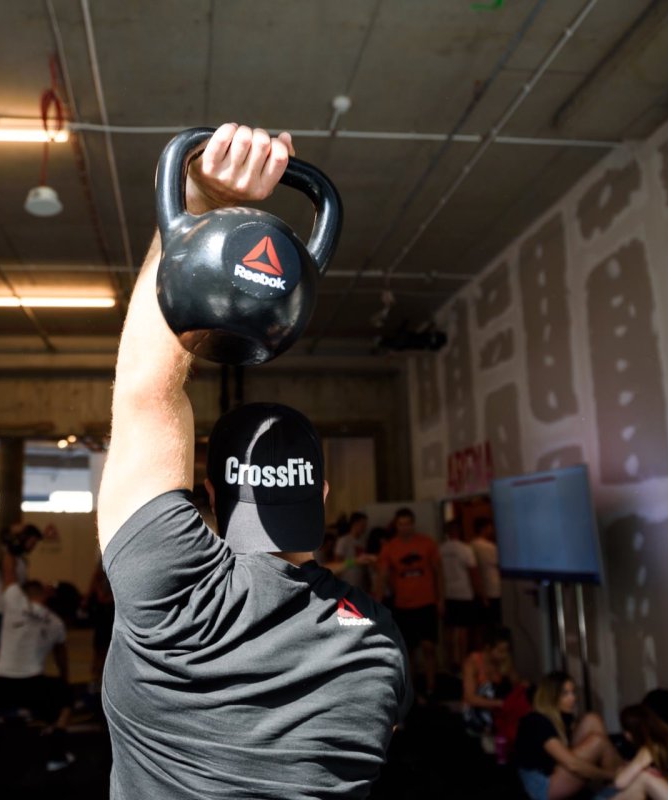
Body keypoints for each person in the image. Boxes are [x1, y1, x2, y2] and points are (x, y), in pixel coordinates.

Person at [96, 123, 410, 799]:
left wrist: (195, 209)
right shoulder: (378, 645)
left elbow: (148, 391)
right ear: (321, 493)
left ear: (207, 489)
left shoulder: (170, 595)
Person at [0, 547, 75, 775]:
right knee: (67, 698)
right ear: (43, 595)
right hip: (35, 688)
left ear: (23, 594)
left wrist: (10, 547)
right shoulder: (56, 622)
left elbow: (8, 574)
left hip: (0, 687)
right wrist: (64, 683)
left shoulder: (14, 602)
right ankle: (56, 754)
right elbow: (62, 658)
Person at [514, 671, 623, 800]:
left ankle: (620, 778)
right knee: (597, 742)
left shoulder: (561, 716)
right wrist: (609, 775)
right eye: (565, 694)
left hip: (553, 769)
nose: (573, 698)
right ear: (551, 697)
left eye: (573, 692)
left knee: (592, 719)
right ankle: (617, 782)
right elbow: (573, 764)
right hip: (542, 786)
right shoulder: (536, 721)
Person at [376, 507, 444, 699]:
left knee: (429, 647)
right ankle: (412, 692)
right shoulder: (390, 547)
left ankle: (431, 687)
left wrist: (441, 599)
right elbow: (382, 575)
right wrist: (377, 600)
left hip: (427, 603)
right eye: (401, 524)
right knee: (409, 652)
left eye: (408, 523)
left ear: (413, 524)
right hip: (403, 606)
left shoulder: (427, 544)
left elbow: (439, 572)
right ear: (396, 526)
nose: (405, 527)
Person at [0, 522, 42, 679]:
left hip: (8, 612)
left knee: (5, 654)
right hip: (1, 613)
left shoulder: (20, 560)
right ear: (23, 539)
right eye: (32, 542)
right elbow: (11, 585)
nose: (33, 547)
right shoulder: (9, 557)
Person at [462, 626, 523, 736]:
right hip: (477, 712)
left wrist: (509, 670)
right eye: (500, 651)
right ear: (488, 648)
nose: (503, 655)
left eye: (506, 651)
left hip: (497, 712)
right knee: (488, 688)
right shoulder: (473, 663)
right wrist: (498, 704)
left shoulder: (503, 662)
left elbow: (517, 685)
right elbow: (469, 697)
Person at [439, 518, 481, 668]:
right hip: (464, 592)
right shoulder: (465, 549)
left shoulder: (441, 549)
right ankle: (462, 661)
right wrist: (479, 593)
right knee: (462, 628)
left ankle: (450, 660)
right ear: (459, 531)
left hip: (448, 593)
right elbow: (473, 572)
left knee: (450, 629)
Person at [81, 558, 114, 702]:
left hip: (114, 606)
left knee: (109, 648)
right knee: (99, 648)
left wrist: (112, 597)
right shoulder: (104, 557)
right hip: (104, 609)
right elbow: (96, 576)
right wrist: (94, 595)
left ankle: (107, 684)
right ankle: (95, 682)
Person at [470, 516, 502, 644]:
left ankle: (483, 645)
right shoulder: (489, 547)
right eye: (490, 527)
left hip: (477, 589)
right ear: (484, 529)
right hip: (493, 588)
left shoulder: (471, 545)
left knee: (481, 623)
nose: (492, 530)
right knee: (494, 621)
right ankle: (493, 644)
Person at [333, 512, 372, 593]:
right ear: (355, 523)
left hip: (361, 585)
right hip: (347, 584)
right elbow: (338, 562)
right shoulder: (343, 540)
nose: (365, 527)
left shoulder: (363, 540)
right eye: (363, 524)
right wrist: (355, 562)